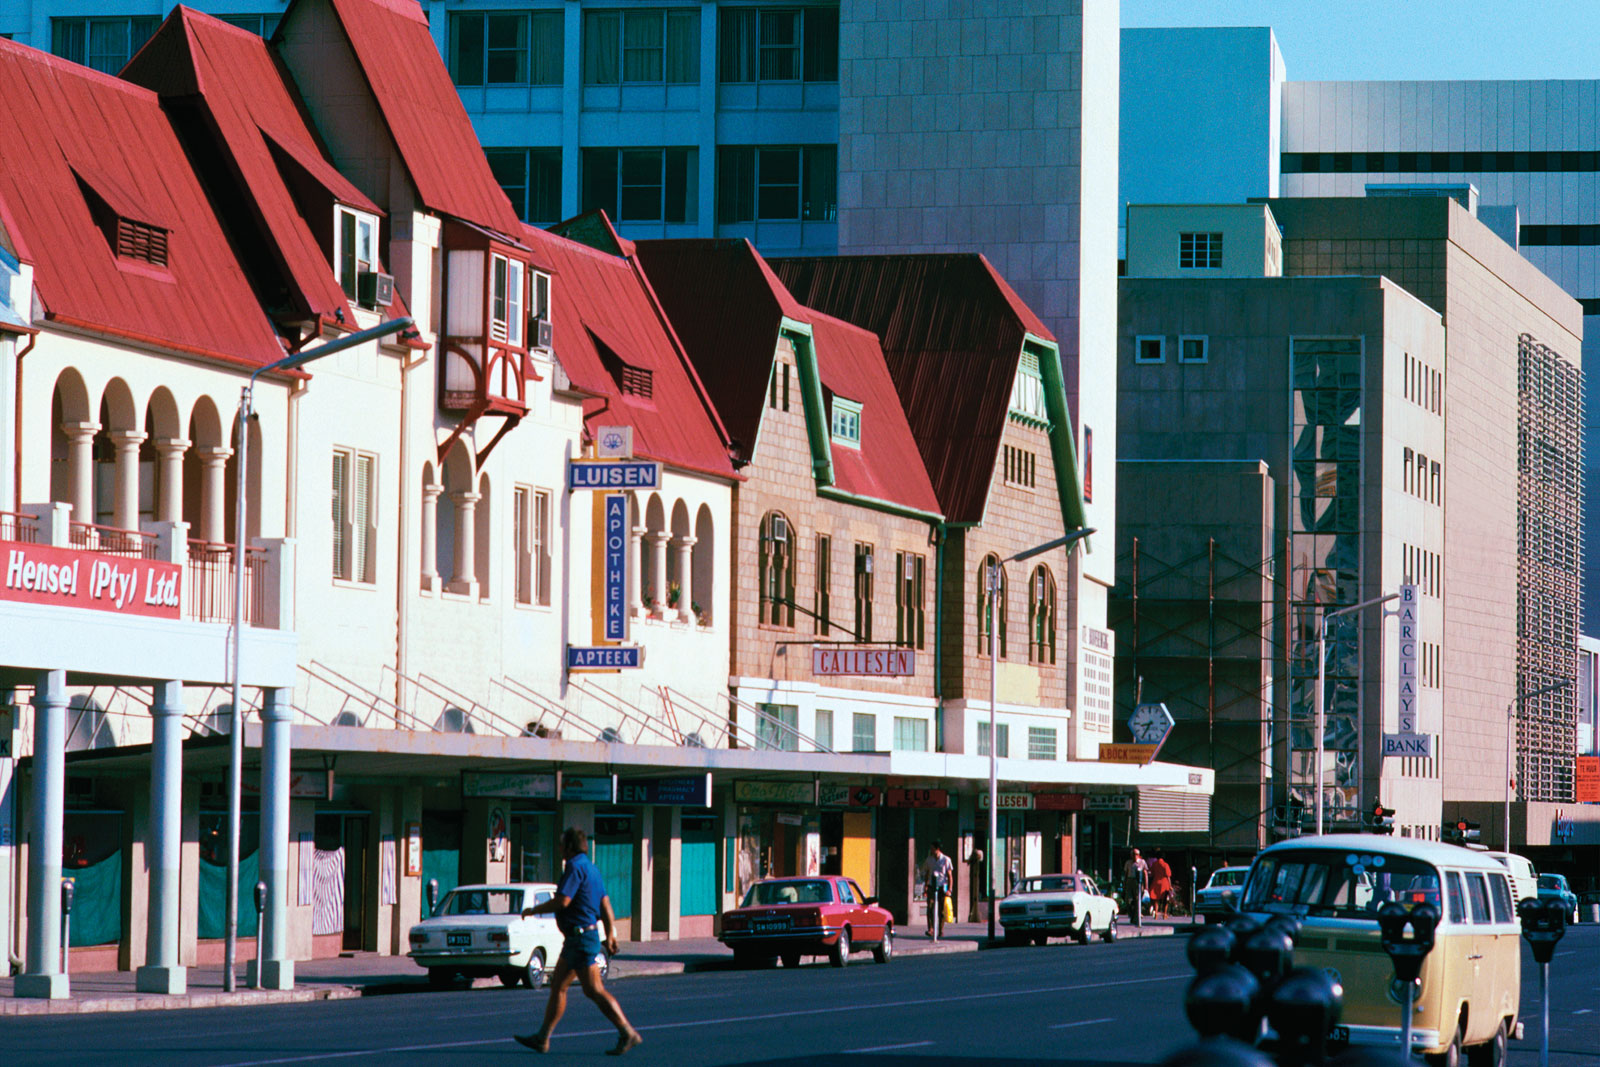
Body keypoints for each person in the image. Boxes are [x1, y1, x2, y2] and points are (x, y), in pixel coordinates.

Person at [515, 828, 642, 1056]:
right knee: (560, 986)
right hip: (580, 938)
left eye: (562, 845)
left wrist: (534, 910)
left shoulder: (574, 867)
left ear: (570, 847)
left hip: (580, 938)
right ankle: (542, 1038)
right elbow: (605, 904)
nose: (559, 848)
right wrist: (611, 933)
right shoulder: (591, 868)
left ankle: (627, 1032)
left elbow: (563, 901)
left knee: (593, 989)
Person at [920, 840, 954, 940]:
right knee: (930, 907)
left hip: (942, 886)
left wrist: (950, 889)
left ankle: (940, 930)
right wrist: (925, 886)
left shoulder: (946, 859)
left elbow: (950, 876)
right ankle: (931, 929)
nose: (931, 850)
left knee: (941, 910)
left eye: (932, 848)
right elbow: (927, 873)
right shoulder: (929, 859)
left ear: (937, 849)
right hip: (931, 886)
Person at [1122, 848, 1149, 928]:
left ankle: (1136, 918)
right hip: (1130, 881)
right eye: (1133, 854)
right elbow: (1126, 874)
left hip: (1138, 882)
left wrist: (1146, 886)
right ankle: (1131, 915)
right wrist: (1124, 884)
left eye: (1136, 854)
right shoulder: (1128, 863)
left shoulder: (1142, 862)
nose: (1134, 856)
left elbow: (1145, 874)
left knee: (1138, 900)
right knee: (1128, 900)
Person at [1148, 851, 1173, 920]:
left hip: (1156, 882)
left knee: (1156, 900)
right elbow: (1168, 876)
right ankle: (1164, 914)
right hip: (1164, 884)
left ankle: (1156, 913)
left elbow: (1151, 873)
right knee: (1165, 900)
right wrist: (1170, 886)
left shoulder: (1154, 864)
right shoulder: (1165, 865)